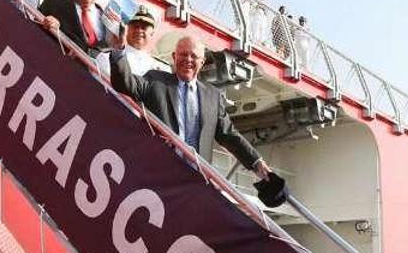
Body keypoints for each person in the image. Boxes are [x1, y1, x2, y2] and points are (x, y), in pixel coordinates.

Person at [109, 35, 289, 208]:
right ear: (174, 57)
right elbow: (125, 84)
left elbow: (228, 135)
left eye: (194, 56)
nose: (188, 59)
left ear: (202, 62)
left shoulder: (213, 96)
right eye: (183, 54)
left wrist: (257, 163)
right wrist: (118, 52)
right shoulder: (155, 80)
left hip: (196, 182)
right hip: (157, 176)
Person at [40, 0, 122, 54]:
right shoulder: (52, 6)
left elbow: (114, 58)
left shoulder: (108, 20)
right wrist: (54, 28)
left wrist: (120, 45)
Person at [95, 7, 165, 77]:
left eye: (144, 27)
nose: (139, 30)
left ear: (152, 33)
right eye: (135, 26)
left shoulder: (159, 67)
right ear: (127, 29)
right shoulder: (106, 58)